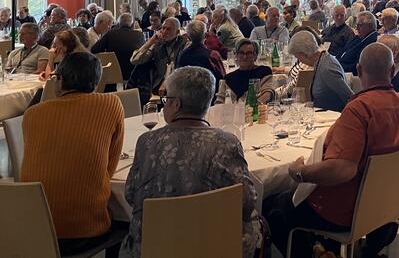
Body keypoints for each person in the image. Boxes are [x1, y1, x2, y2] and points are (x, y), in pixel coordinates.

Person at [268, 43, 399, 258]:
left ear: (360, 71)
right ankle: (324, 250)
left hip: (344, 212)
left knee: (274, 208)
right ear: (392, 71)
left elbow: (342, 170)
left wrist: (300, 172)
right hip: (387, 208)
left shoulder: (359, 110)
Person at [120, 67, 260, 258]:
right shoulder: (226, 142)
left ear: (176, 104)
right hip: (215, 248)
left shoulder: (147, 142)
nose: (165, 105)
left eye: (166, 100)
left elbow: (130, 194)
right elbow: (247, 201)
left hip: (152, 248)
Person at [21, 52, 124, 256]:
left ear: (59, 79)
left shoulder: (32, 114)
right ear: (96, 81)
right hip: (85, 231)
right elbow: (108, 169)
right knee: (127, 222)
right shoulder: (110, 105)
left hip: (34, 229)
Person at [286, 30, 352, 111]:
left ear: (304, 54)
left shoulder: (327, 68)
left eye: (298, 57)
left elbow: (350, 98)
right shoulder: (319, 61)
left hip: (331, 118)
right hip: (320, 117)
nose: (299, 61)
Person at [129, 17, 186, 103]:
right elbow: (134, 60)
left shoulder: (184, 44)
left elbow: (179, 67)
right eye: (163, 28)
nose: (164, 31)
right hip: (156, 84)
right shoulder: (157, 43)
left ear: (177, 32)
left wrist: (166, 82)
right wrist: (150, 42)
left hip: (176, 83)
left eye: (169, 29)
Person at [90, 13, 145, 82]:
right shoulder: (140, 35)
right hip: (134, 74)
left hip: (112, 75)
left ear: (118, 24)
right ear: (133, 25)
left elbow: (94, 50)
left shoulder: (110, 34)